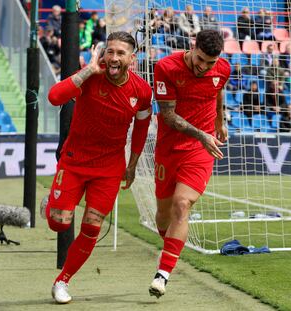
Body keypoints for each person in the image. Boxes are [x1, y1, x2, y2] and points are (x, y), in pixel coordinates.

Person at [46, 31, 152, 304]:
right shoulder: (91, 75)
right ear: (103, 54)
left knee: (92, 225)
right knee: (59, 223)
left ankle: (62, 281)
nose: (114, 58)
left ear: (132, 58)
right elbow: (55, 97)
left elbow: (141, 128)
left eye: (120, 53)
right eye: (110, 52)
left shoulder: (141, 91)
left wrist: (133, 163)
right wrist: (87, 71)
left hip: (109, 168)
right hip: (74, 161)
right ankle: (55, 202)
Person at [150, 29, 230, 298]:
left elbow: (217, 91)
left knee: (181, 205)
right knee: (163, 215)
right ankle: (170, 247)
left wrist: (219, 121)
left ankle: (162, 274)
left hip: (200, 148)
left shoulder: (222, 69)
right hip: (170, 147)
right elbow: (169, 116)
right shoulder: (165, 67)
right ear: (192, 48)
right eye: (200, 59)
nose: (204, 67)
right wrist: (203, 134)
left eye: (210, 62)